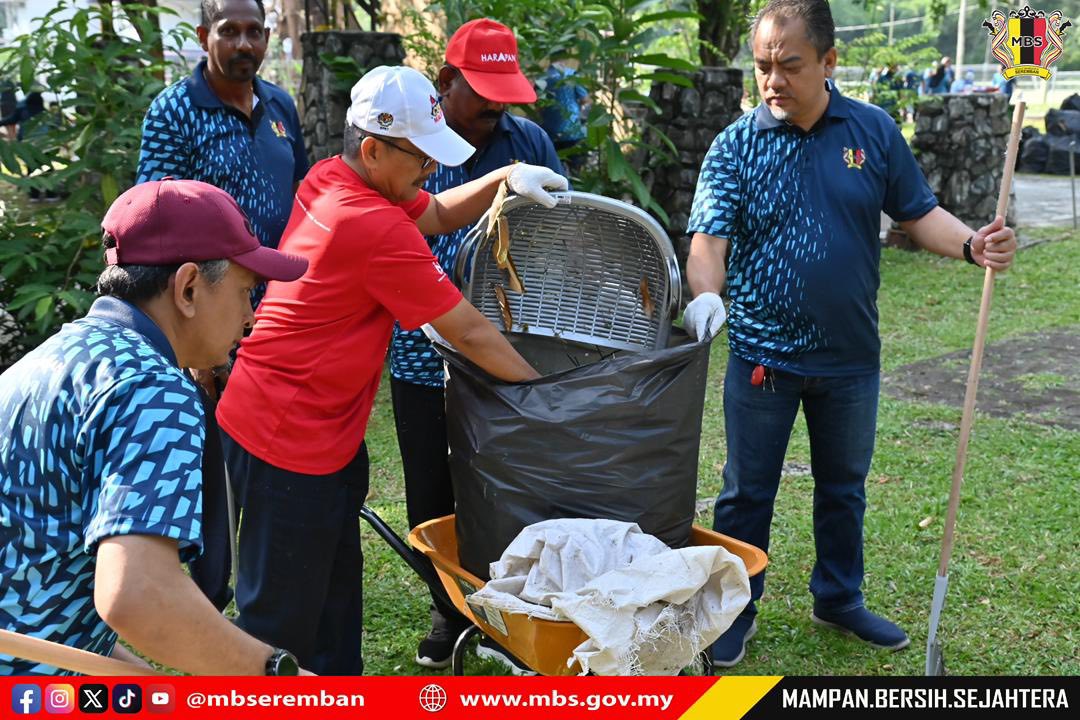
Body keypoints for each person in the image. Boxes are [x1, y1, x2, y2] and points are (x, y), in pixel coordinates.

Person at [683, 0, 1017, 668]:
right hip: (762, 357)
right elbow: (707, 240)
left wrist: (972, 244)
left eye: (789, 65)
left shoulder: (872, 130)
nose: (773, 81)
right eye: (762, 66)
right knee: (746, 491)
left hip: (850, 358)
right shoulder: (737, 143)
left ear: (830, 61)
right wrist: (706, 297)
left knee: (844, 488)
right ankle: (731, 609)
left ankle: (838, 597)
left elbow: (918, 213)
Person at [215, 65, 566, 675]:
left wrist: (505, 177)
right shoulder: (371, 224)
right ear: (374, 148)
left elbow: (438, 213)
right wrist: (553, 397)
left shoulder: (333, 177)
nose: (431, 170)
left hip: (305, 425)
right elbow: (469, 332)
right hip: (287, 438)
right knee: (279, 624)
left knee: (332, 604)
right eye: (421, 158)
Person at [0, 179, 310, 675]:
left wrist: (149, 682)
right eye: (245, 292)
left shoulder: (55, 359)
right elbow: (138, 594)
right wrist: (273, 675)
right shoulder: (154, 389)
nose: (251, 317)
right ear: (188, 288)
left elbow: (47, 581)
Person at [385, 18, 567, 673]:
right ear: (445, 81)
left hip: (505, 344)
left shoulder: (530, 141)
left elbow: (559, 234)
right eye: (482, 92)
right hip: (422, 348)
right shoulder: (411, 145)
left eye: (504, 94)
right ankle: (449, 608)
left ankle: (506, 608)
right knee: (431, 486)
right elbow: (410, 230)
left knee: (504, 477)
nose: (495, 107)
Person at [136, 0, 307, 307]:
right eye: (229, 31)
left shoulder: (280, 104)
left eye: (253, 32)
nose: (243, 44)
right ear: (204, 37)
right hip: (209, 303)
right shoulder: (174, 110)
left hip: (280, 297)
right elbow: (155, 215)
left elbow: (298, 191)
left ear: (267, 37)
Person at [538, 62, 589, 169]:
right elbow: (585, 99)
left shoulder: (542, 78)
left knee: (553, 168)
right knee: (575, 167)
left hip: (550, 132)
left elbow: (538, 104)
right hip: (572, 129)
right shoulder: (572, 75)